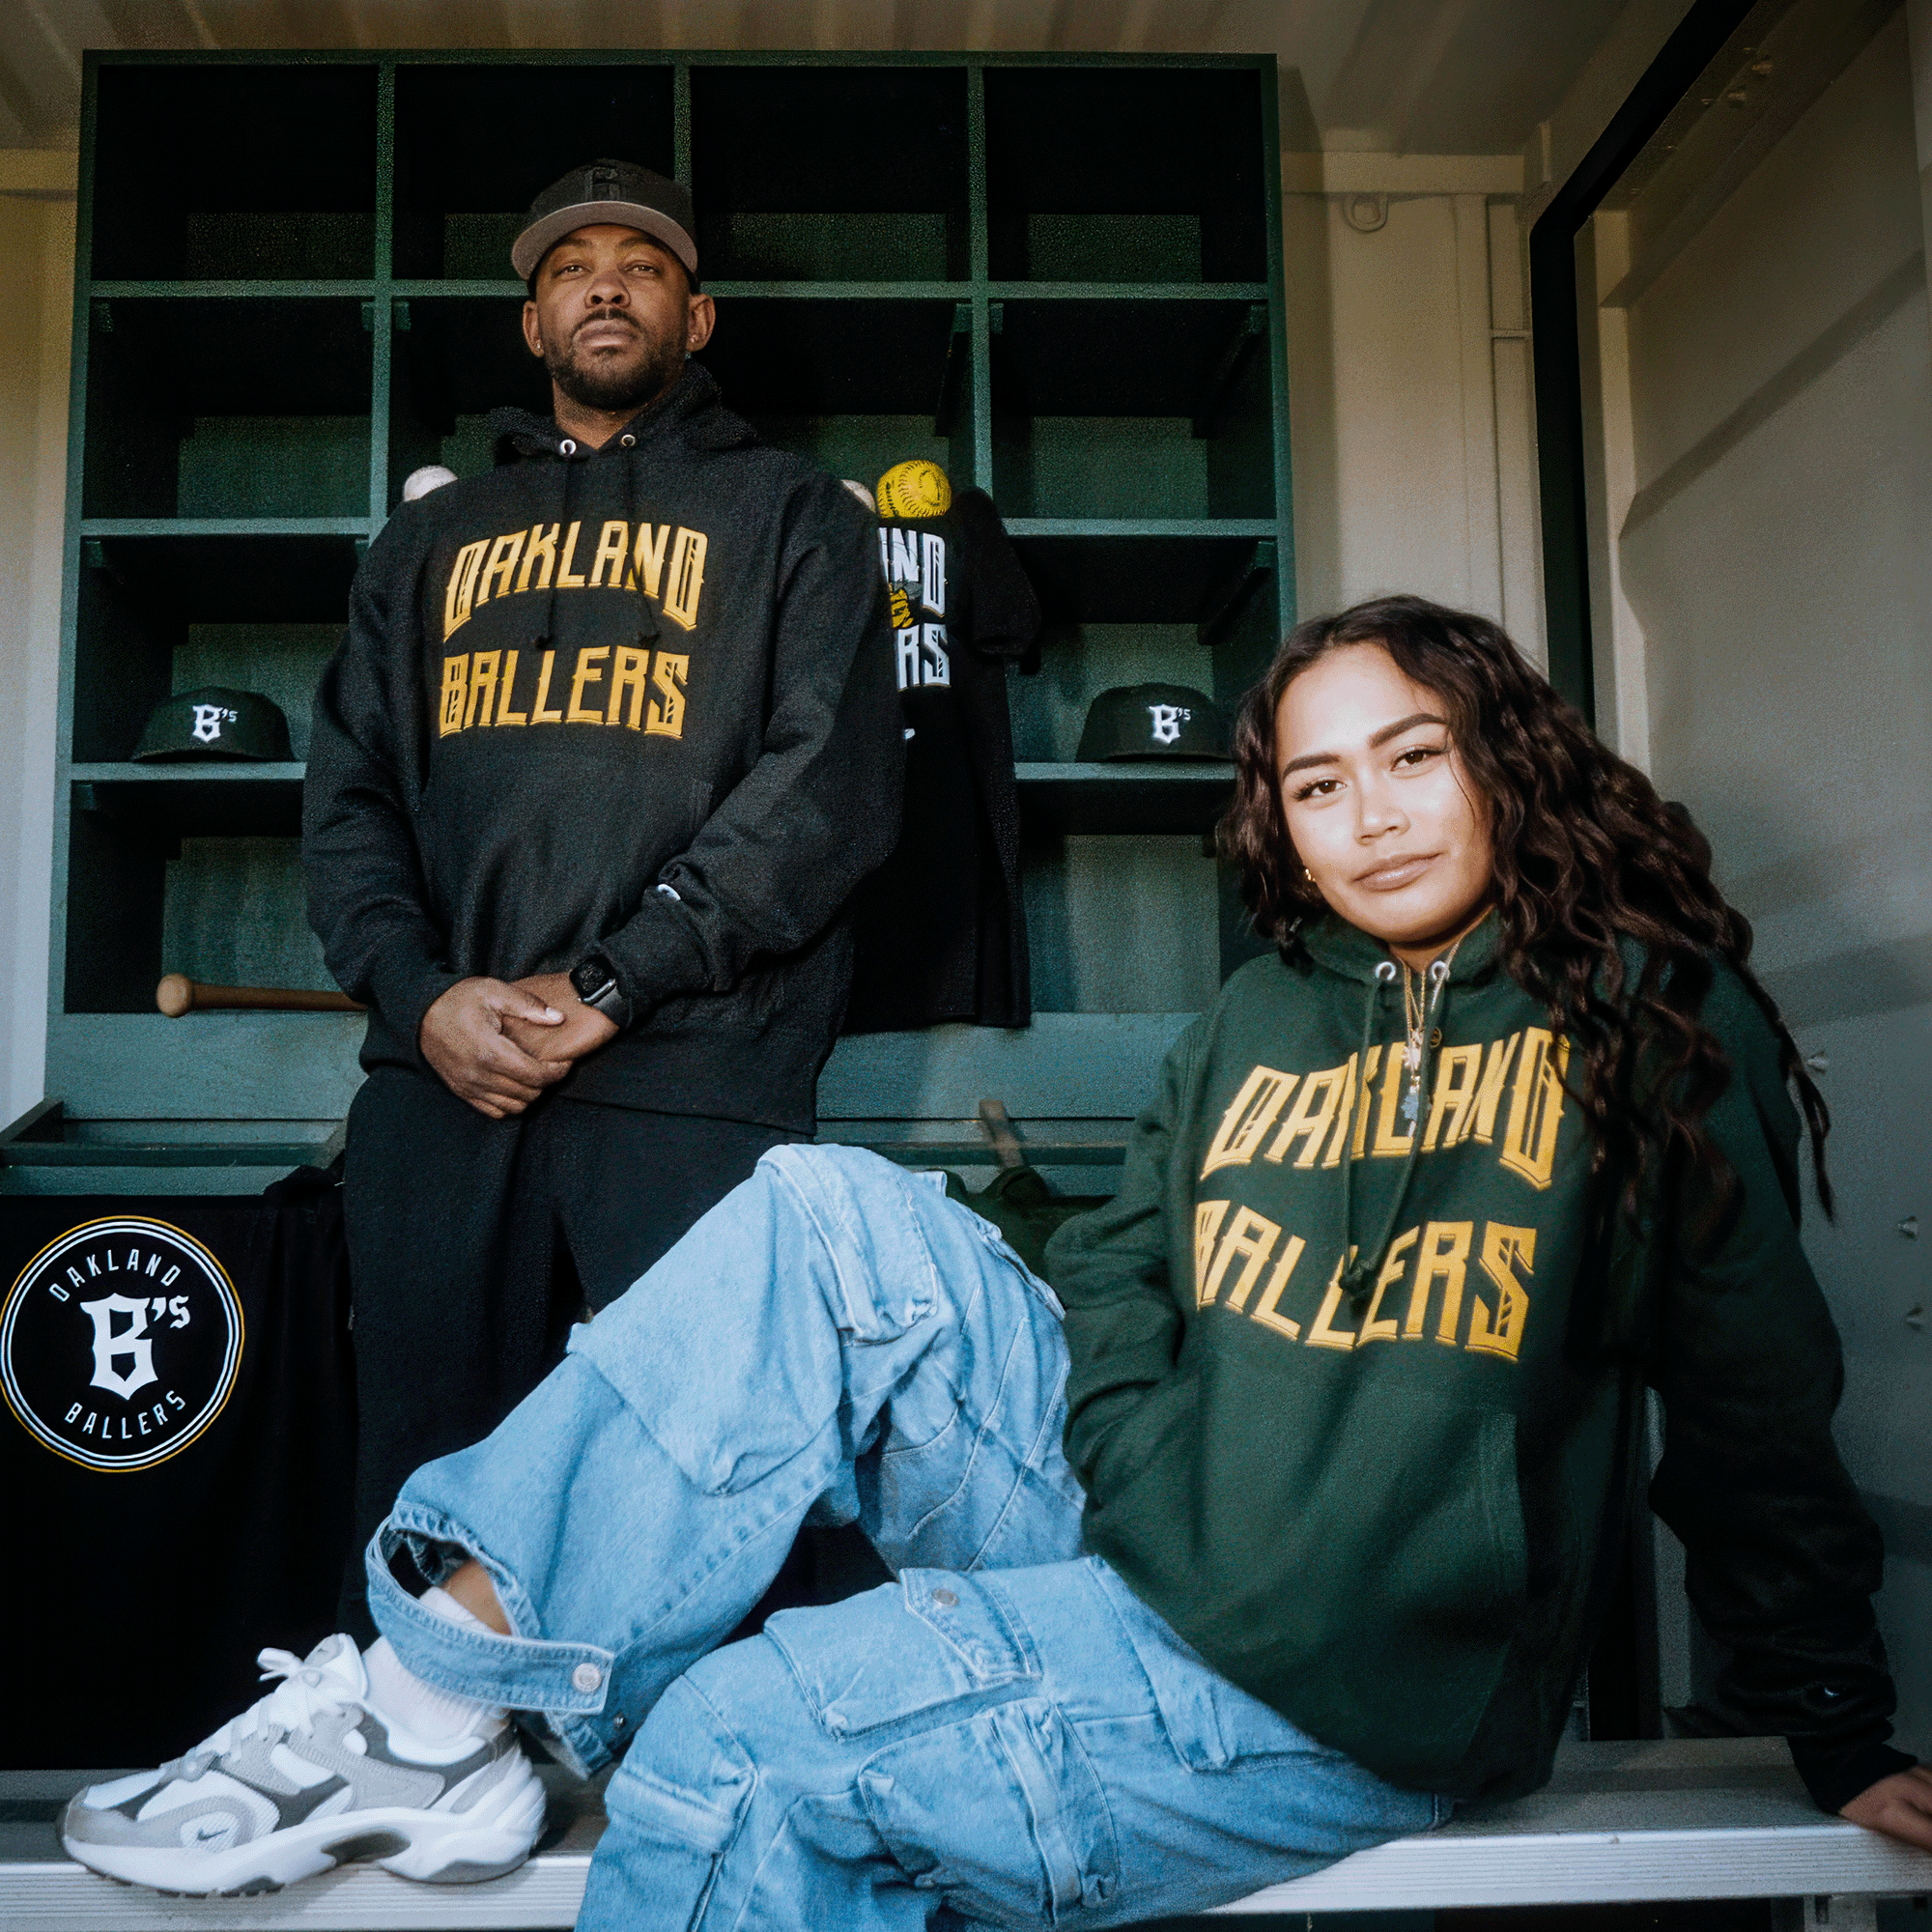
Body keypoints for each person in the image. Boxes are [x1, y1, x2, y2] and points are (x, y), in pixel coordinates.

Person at [75, 597, 1932, 1920]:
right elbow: (1125, 1273)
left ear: (1506, 764)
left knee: (729, 1735)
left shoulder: (1650, 1027)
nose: (1366, 815)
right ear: (1275, 818)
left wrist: (1834, 1723)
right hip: (1162, 1552)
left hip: (1346, 1689)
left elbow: (1755, 1390)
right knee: (825, 1216)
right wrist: (1140, 1453)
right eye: (1314, 786)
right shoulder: (1260, 1017)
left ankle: (439, 1714)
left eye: (1412, 759)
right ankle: (430, 1700)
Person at [300, 158, 903, 1629]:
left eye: (643, 265)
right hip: (449, 1083)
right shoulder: (429, 541)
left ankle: (710, 1794)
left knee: (718, 1479)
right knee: (430, 1479)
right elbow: (350, 802)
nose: (608, 286)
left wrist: (623, 976)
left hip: (696, 1074)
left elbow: (828, 792)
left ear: (698, 318)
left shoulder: (793, 515)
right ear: (532, 324)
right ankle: (431, 1767)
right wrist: (420, 994)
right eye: (574, 268)